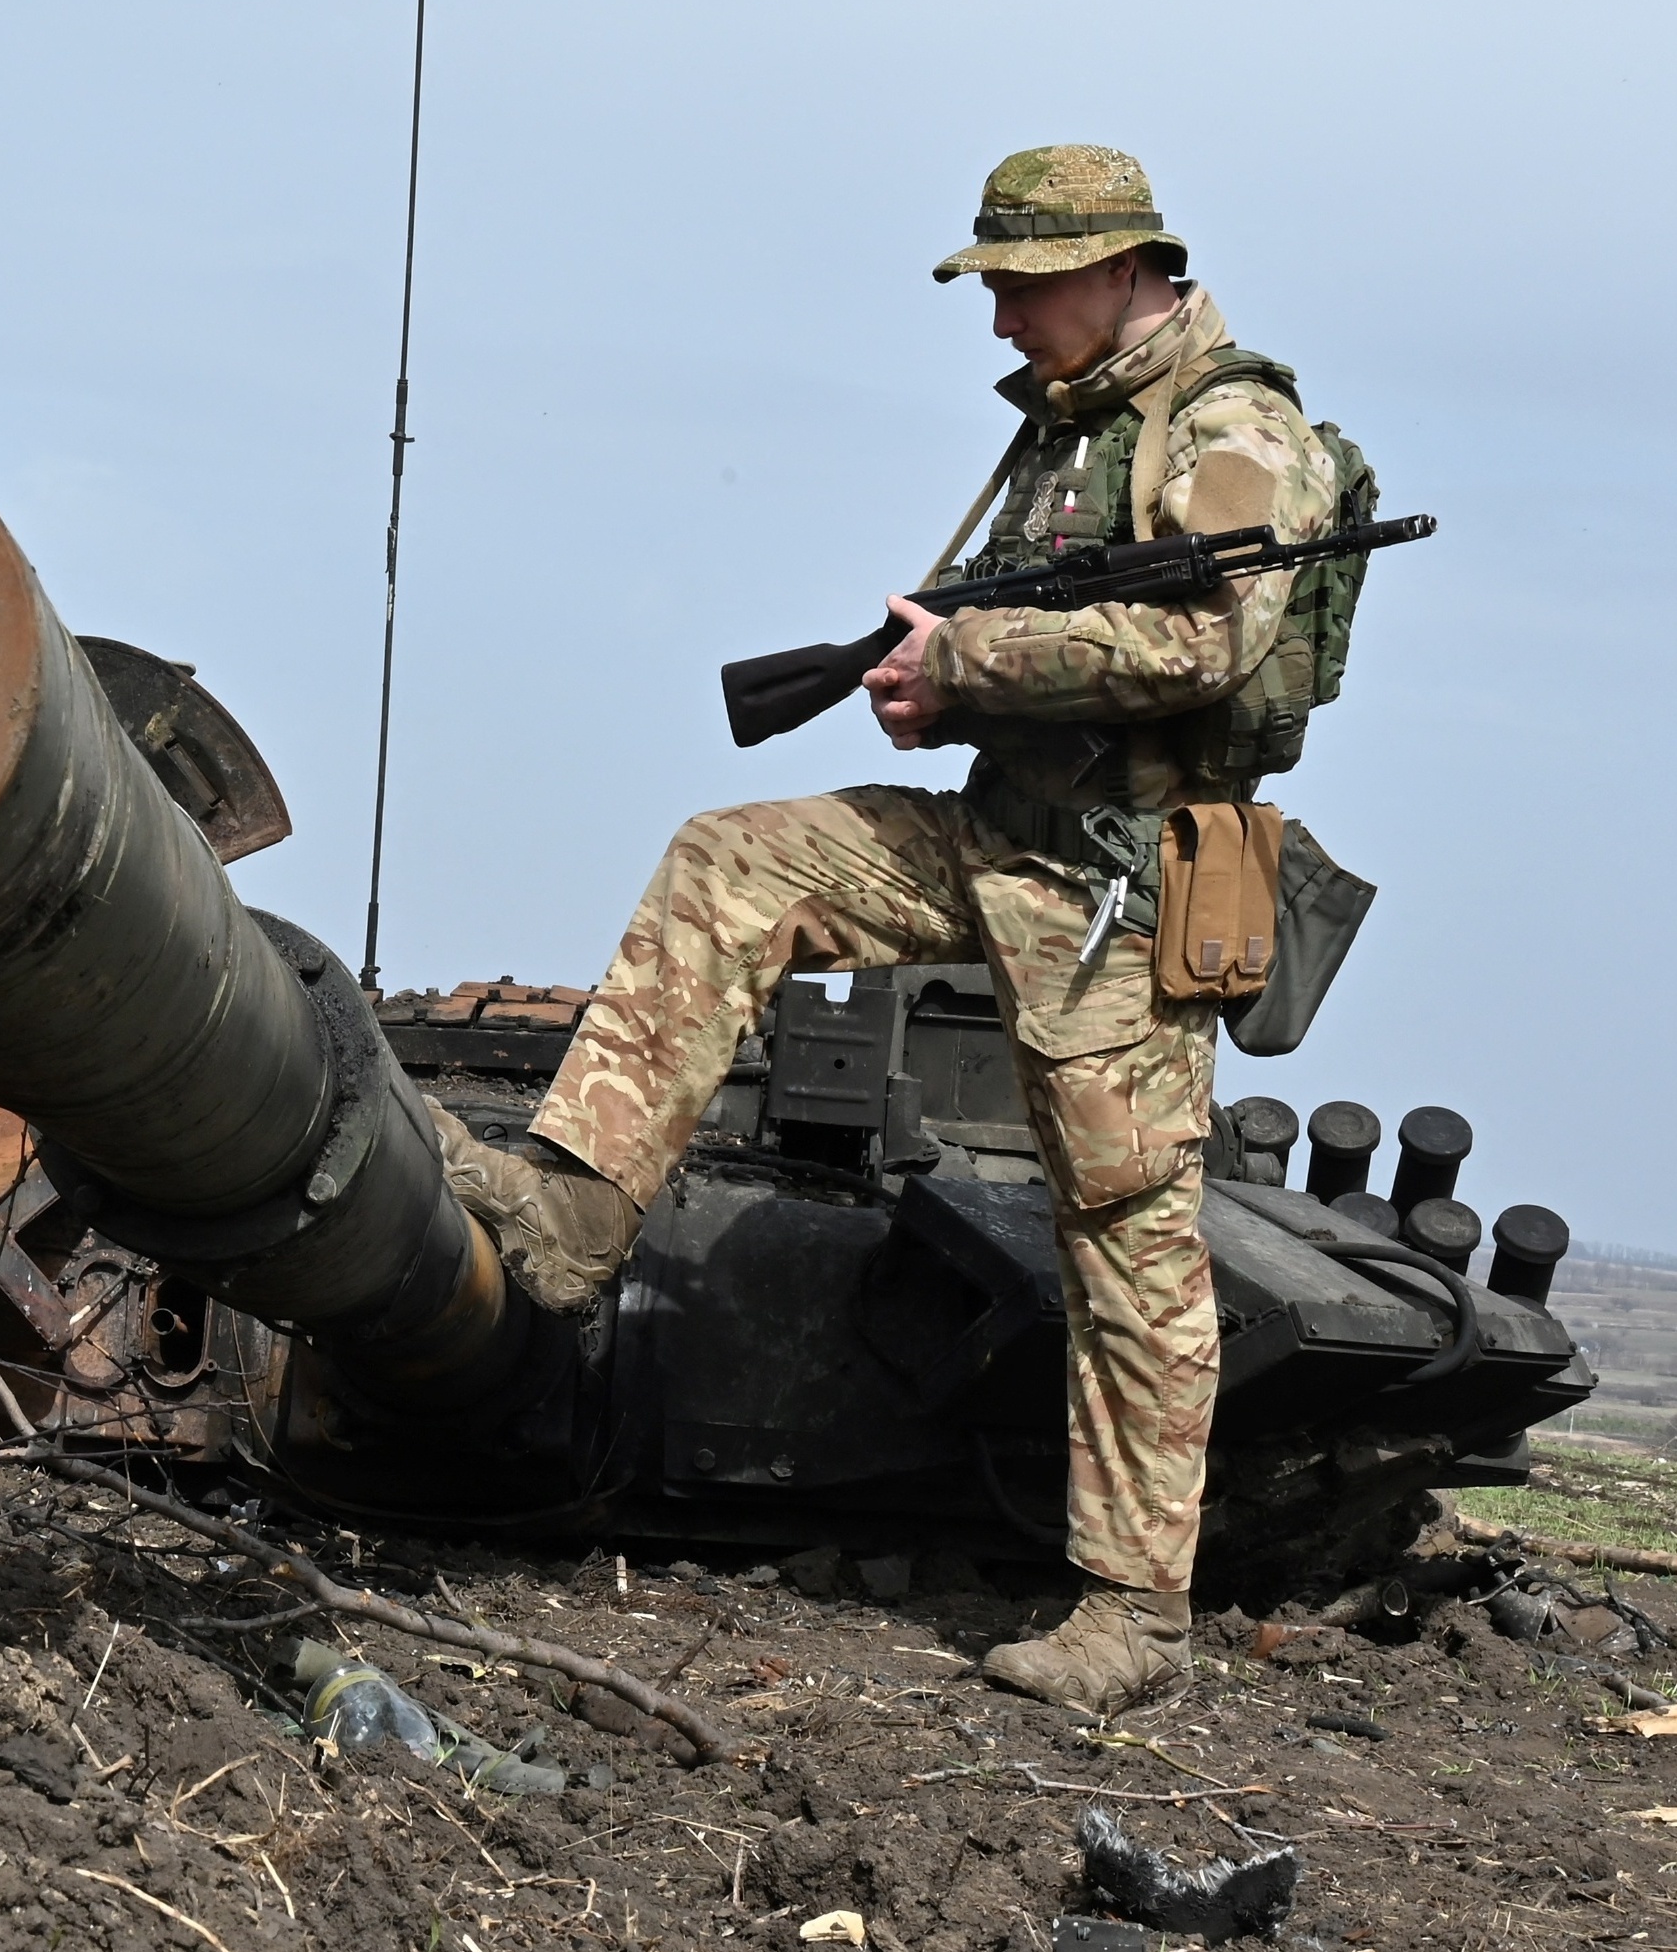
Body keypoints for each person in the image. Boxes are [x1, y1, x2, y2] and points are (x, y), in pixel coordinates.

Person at [435, 143, 1342, 1716]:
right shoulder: (1069, 431)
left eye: (1015, 285)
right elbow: (1026, 643)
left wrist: (977, 662)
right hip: (992, 836)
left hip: (1117, 886)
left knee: (1124, 1235)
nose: (995, 319)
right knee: (734, 860)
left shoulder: (1227, 424)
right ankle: (574, 1220)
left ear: (1122, 266)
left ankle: (1130, 1611)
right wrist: (937, 681)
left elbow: (1211, 632)